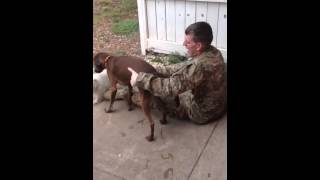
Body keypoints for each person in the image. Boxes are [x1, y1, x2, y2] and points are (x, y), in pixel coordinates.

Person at [128, 21, 227, 124]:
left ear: (198, 46)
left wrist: (139, 79)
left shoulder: (199, 67)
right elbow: (183, 67)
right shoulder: (213, 52)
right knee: (169, 84)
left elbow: (169, 88)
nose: (184, 44)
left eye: (188, 42)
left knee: (156, 97)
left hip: (202, 113)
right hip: (218, 105)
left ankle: (126, 95)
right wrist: (155, 69)